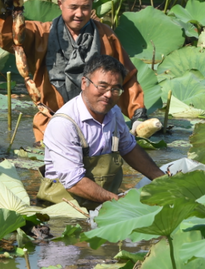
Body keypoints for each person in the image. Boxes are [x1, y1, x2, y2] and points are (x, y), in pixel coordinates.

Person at [0, 0, 147, 142]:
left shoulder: (105, 35)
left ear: (92, 4)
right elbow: (6, 37)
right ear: (60, 4)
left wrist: (138, 114)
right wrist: (5, 8)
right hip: (51, 123)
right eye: (73, 7)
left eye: (85, 8)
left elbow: (126, 78)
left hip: (98, 126)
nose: (79, 14)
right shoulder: (41, 33)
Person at [37, 55, 165, 207]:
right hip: (63, 207)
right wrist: (119, 203)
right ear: (84, 83)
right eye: (102, 86)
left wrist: (162, 180)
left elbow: (129, 149)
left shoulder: (114, 112)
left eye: (115, 89)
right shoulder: (64, 123)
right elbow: (74, 182)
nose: (108, 95)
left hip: (103, 202)